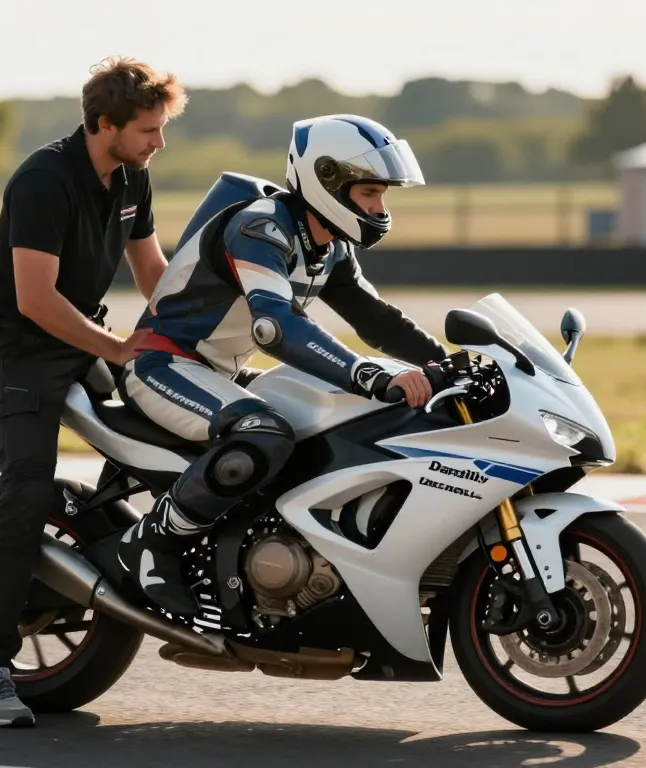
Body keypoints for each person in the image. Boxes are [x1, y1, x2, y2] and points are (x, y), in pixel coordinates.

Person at [111, 114, 448, 617]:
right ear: (328, 181)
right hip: (162, 364)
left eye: (383, 195)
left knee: (339, 419)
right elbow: (277, 328)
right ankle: (150, 543)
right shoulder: (260, 227)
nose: (380, 208)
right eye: (371, 193)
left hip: (216, 371)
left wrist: (448, 362)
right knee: (264, 432)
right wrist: (370, 373)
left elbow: (378, 321)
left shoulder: (328, 244)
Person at [0, 56, 186, 728]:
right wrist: (115, 348)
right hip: (25, 350)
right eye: (148, 129)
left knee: (185, 430)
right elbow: (34, 299)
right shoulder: (42, 181)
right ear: (104, 124)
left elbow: (153, 273)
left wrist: (196, 332)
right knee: (26, 492)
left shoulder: (133, 177)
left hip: (88, 338)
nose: (158, 142)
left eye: (161, 128)